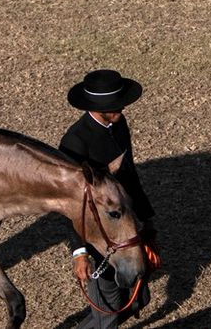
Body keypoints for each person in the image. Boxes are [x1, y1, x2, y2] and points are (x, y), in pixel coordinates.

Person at [60, 69, 156, 328]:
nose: (122, 110)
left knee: (139, 298)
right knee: (108, 315)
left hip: (125, 226)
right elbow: (72, 206)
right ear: (97, 107)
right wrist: (79, 253)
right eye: (115, 106)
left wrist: (146, 220)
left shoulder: (118, 123)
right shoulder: (74, 142)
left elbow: (130, 175)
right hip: (99, 239)